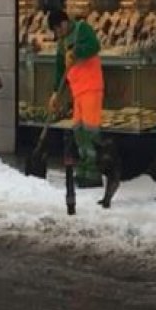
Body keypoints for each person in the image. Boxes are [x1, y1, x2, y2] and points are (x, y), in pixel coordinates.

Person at [47, 10, 104, 188]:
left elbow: (95, 46)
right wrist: (56, 92)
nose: (57, 34)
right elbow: (59, 69)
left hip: (91, 88)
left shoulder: (82, 29)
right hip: (77, 91)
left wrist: (77, 52)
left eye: (57, 30)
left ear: (63, 23)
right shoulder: (62, 42)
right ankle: (84, 168)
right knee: (79, 131)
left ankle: (94, 172)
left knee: (91, 130)